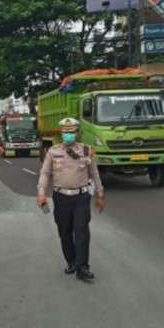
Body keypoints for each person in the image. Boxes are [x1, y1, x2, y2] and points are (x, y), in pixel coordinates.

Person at [37, 118, 105, 281]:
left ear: (77, 133)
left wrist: (100, 195)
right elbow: (45, 174)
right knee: (65, 231)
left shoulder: (87, 151)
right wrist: (41, 193)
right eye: (65, 132)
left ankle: (83, 267)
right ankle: (72, 261)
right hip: (61, 198)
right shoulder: (53, 152)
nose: (68, 135)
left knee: (81, 229)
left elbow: (94, 173)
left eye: (71, 131)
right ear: (62, 133)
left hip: (81, 197)